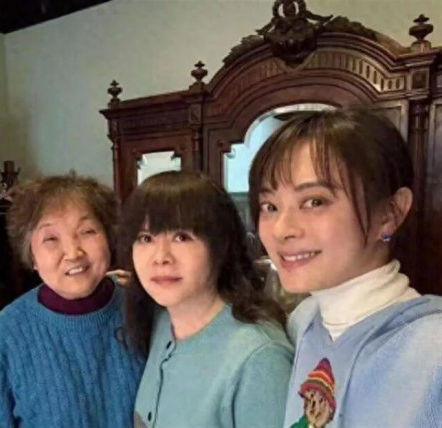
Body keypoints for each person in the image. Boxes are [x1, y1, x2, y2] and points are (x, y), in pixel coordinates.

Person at [248, 108, 442, 427]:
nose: (282, 229)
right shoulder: (306, 322)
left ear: (390, 213)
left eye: (315, 201)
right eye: (270, 206)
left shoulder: (432, 352)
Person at [119, 170, 293, 428]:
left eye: (182, 237)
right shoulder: (162, 320)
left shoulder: (260, 360)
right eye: (146, 239)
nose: (160, 257)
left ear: (221, 246)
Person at [0, 173, 145, 427]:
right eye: (51, 239)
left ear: (109, 237)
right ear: (31, 255)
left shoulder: (144, 310)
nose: (73, 253)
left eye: (87, 231)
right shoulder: (6, 335)